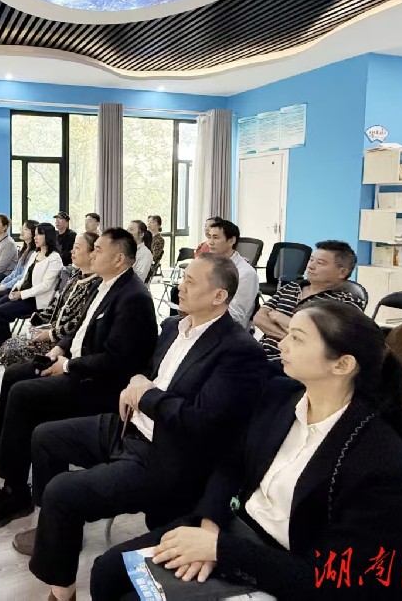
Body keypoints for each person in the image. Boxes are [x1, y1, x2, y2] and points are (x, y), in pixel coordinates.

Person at [91, 301, 402, 601]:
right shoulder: (281, 396)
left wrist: (222, 550)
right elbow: (232, 462)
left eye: (297, 338)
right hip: (233, 529)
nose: (282, 344)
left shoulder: (383, 464)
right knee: (108, 571)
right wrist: (210, 525)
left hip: (291, 565)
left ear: (342, 365)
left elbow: (341, 580)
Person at [20, 255, 270, 600]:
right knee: (46, 436)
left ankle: (62, 593)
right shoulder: (173, 327)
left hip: (164, 453)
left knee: (63, 491)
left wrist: (147, 394)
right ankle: (56, 533)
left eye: (191, 282)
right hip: (128, 425)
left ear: (219, 296)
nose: (180, 286)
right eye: (183, 278)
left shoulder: (238, 351)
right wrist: (138, 382)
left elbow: (201, 420)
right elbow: (153, 375)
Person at [0, 228, 158, 529]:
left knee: (24, 395)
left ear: (119, 259)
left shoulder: (133, 297)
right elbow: (80, 329)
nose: (93, 255)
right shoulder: (104, 285)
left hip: (99, 386)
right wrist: (60, 349)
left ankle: (15, 491)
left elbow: (117, 362)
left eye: (99, 250)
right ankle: (3, 444)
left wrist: (69, 366)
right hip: (77, 365)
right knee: (16, 375)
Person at [0, 232, 101, 367]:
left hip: (66, 341)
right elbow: (58, 302)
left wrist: (51, 334)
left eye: (77, 248)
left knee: (13, 351)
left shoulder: (95, 284)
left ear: (92, 253)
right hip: (54, 330)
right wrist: (37, 320)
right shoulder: (76, 276)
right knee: (9, 345)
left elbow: (79, 322)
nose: (72, 251)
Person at [254, 240, 365, 362]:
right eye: (311, 260)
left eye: (320, 263)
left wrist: (279, 317)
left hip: (295, 364)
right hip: (259, 354)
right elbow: (259, 318)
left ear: (342, 272)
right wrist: (296, 337)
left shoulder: (345, 302)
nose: (311, 266)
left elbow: (324, 339)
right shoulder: (292, 287)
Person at [0, 223, 64, 352]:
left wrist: (22, 294)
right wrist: (15, 289)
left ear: (48, 236)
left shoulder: (55, 258)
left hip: (36, 300)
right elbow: (24, 276)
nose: (35, 237)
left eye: (39, 234)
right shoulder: (35, 254)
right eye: (35, 234)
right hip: (23, 294)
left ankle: (0, 345)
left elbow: (46, 286)